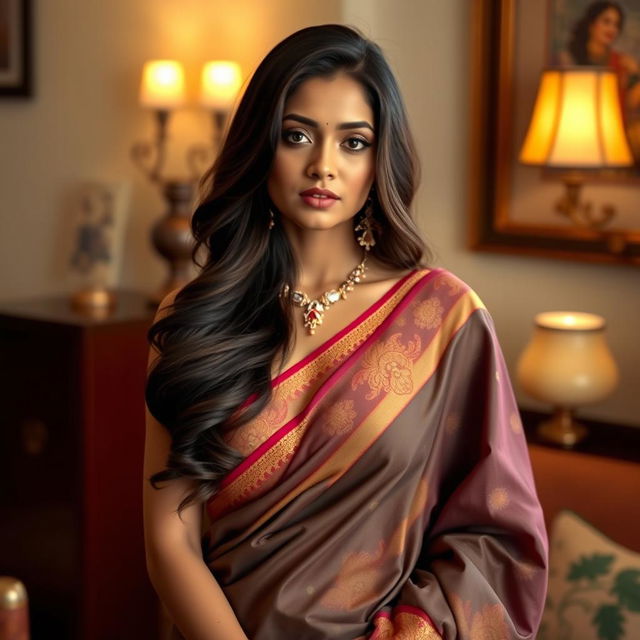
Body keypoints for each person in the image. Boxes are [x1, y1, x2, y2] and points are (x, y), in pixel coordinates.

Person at [143, 24, 548, 640]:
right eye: (297, 135)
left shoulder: (442, 319)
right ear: (261, 146)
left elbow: (498, 537)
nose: (323, 166)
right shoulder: (193, 317)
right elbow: (169, 540)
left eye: (353, 142)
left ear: (380, 157)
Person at [556, 1, 640, 162]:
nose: (612, 29)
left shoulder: (622, 62)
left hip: (613, 136)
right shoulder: (568, 58)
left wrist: (635, 74)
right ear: (591, 24)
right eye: (606, 22)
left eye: (616, 25)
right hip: (576, 133)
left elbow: (631, 105)